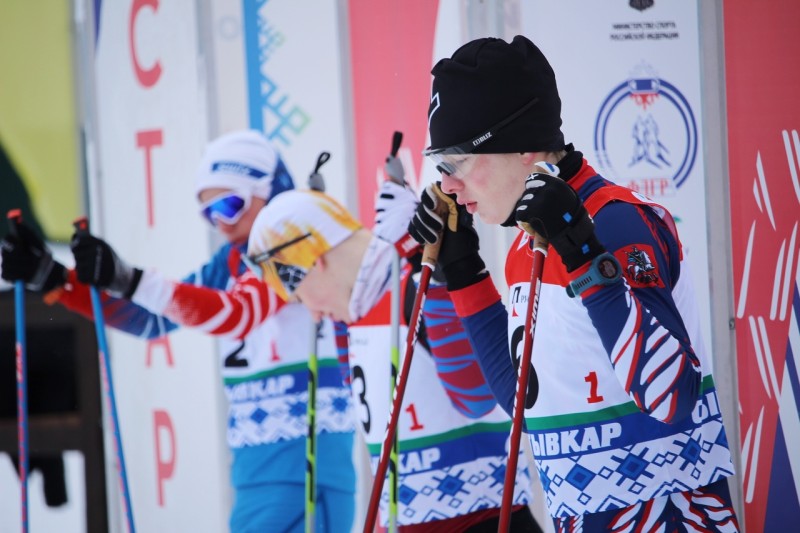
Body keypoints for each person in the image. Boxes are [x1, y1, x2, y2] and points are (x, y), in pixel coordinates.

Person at [407, 35, 740, 532]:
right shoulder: (527, 244)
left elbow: (673, 398)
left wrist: (585, 255)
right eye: (440, 168)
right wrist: (464, 272)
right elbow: (524, 398)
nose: (447, 184)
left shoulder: (615, 222)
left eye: (455, 162)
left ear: (520, 145)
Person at [0, 130, 357, 532]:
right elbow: (149, 319)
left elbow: (238, 314)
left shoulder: (294, 245)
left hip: (307, 476)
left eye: (230, 205)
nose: (221, 224)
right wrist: (56, 281)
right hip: (254, 477)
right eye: (209, 213)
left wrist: (130, 278)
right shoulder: (232, 259)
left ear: (270, 191)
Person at [245, 185, 542, 532]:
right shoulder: (351, 316)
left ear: (317, 261)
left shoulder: (415, 291)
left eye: (297, 294)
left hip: (485, 521)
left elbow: (477, 396)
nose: (311, 312)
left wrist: (432, 272)